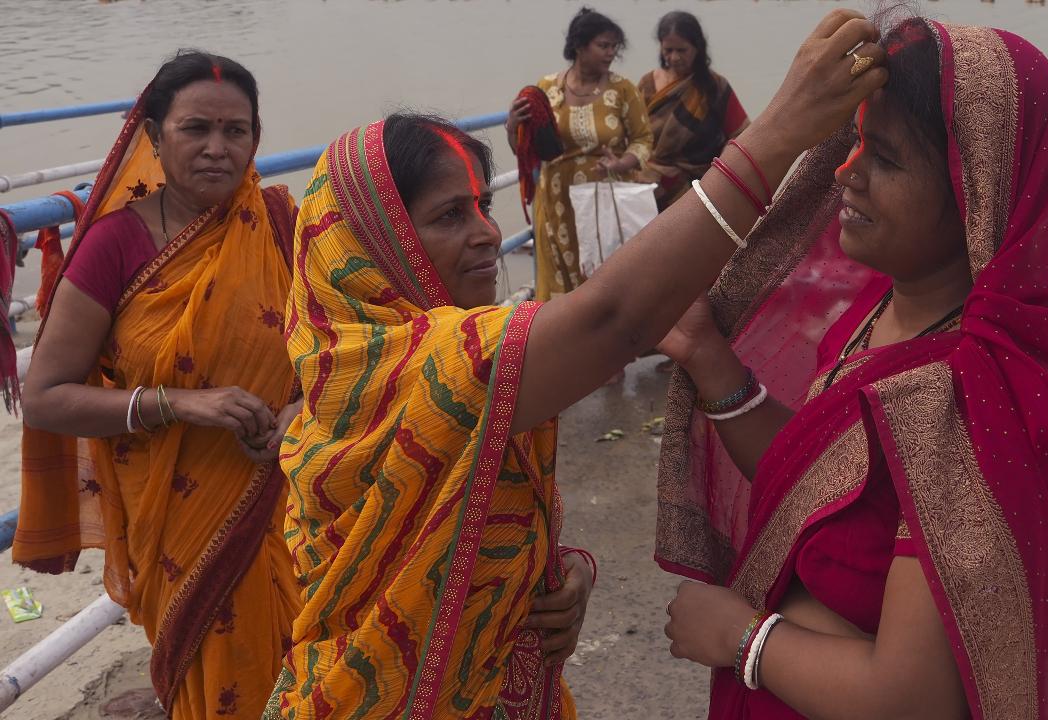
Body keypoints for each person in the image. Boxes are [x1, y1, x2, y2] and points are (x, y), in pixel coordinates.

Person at [266, 10, 889, 717]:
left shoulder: (389, 361)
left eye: (481, 205)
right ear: (370, 249)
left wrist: (565, 575)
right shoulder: (412, 368)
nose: (487, 235)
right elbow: (613, 320)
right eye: (448, 218)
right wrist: (780, 131)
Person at [654, 17, 1048, 720]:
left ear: (977, 197)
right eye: (853, 143)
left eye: (887, 158)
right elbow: (820, 480)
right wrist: (708, 356)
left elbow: (916, 697)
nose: (847, 172)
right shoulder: (884, 313)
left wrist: (740, 636)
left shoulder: (971, 398)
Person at [14, 51, 301, 719]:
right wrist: (178, 404)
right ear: (151, 137)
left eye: (236, 132)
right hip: (173, 519)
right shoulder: (115, 245)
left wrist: (300, 412)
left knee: (302, 671)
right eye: (195, 128)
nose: (216, 148)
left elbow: (339, 357)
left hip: (287, 500)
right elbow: (47, 396)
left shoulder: (284, 227)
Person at [506, 7, 653, 301]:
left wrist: (620, 162)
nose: (611, 52)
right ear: (579, 46)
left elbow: (643, 139)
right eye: (603, 45)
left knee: (605, 277)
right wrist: (512, 127)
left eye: (614, 46)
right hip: (556, 202)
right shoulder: (547, 89)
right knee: (560, 282)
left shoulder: (623, 90)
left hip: (604, 199)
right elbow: (528, 151)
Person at [636, 11, 751, 210]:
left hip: (699, 191)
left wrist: (719, 174)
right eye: (668, 50)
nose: (674, 57)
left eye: (682, 50)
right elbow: (633, 135)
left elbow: (741, 135)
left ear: (697, 48)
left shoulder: (715, 87)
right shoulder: (647, 84)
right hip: (647, 190)